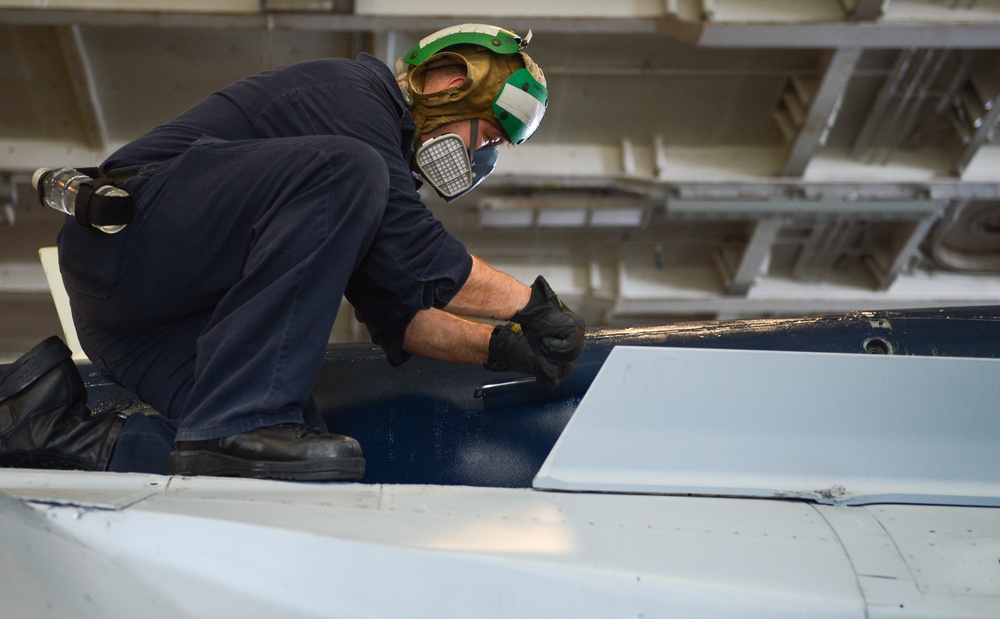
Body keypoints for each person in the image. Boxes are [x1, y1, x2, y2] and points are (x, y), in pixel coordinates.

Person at [0, 24, 584, 481]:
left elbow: (401, 316)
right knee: (346, 170)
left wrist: (500, 348)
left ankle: (53, 432)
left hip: (145, 327)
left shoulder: (362, 190)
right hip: (129, 240)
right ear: (452, 79)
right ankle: (243, 418)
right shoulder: (352, 99)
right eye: (487, 131)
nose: (483, 152)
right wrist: (530, 306)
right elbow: (421, 256)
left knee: (293, 464)